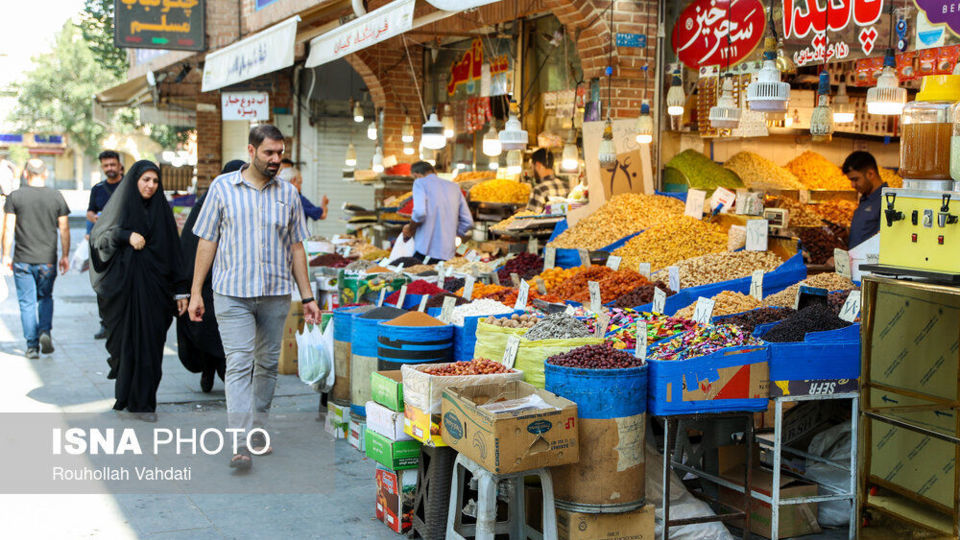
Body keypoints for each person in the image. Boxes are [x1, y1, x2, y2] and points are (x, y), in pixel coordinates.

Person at [189, 125, 320, 470]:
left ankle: (258, 428)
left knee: (266, 365)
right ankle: (239, 441)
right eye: (269, 153)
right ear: (251, 151)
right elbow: (207, 241)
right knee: (240, 362)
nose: (277, 159)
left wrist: (307, 296)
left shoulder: (288, 195)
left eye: (280, 153)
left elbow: (296, 248)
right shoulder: (222, 188)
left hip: (276, 294)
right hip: (231, 293)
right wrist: (195, 292)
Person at [89, 161, 188, 422]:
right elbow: (99, 239)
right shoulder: (120, 208)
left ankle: (145, 404)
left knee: (151, 349)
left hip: (156, 294)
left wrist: (181, 291)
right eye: (145, 180)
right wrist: (125, 235)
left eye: (155, 181)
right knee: (127, 346)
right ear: (134, 181)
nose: (150, 186)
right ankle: (127, 397)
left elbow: (174, 253)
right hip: (126, 293)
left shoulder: (162, 212)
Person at [176, 160, 244, 393]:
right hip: (205, 283)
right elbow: (189, 245)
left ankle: (223, 376)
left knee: (225, 334)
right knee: (211, 331)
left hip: (229, 281)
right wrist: (187, 287)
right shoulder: (206, 204)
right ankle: (210, 371)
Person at [1, 159, 70, 359]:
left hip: (22, 259)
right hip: (47, 260)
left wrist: (6, 255)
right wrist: (65, 255)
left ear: (25, 173)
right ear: (45, 174)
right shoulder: (56, 196)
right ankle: (45, 332)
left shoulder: (15, 197)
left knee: (26, 302)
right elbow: (64, 229)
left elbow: (8, 229)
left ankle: (32, 347)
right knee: (45, 297)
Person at [402, 161, 473, 262]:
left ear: (416, 175)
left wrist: (410, 229)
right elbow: (468, 221)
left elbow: (419, 212)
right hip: (448, 254)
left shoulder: (419, 183)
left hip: (424, 253)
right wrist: (452, 234)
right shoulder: (454, 187)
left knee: (420, 276)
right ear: (434, 171)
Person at [89, 151, 124, 340]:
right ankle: (105, 323)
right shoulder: (98, 189)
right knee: (102, 285)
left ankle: (123, 321)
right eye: (106, 165)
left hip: (125, 245)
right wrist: (96, 220)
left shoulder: (129, 186)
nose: (109, 168)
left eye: (112, 164)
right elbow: (90, 212)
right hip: (104, 246)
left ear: (119, 165)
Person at [842, 151, 887, 249]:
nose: (852, 185)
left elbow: (883, 243)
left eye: (855, 179)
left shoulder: (886, 201)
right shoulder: (865, 198)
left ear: (870, 174)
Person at [526, 148, 569, 214]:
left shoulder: (539, 190)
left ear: (538, 165)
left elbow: (530, 218)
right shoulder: (566, 186)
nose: (531, 173)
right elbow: (567, 208)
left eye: (531, 167)